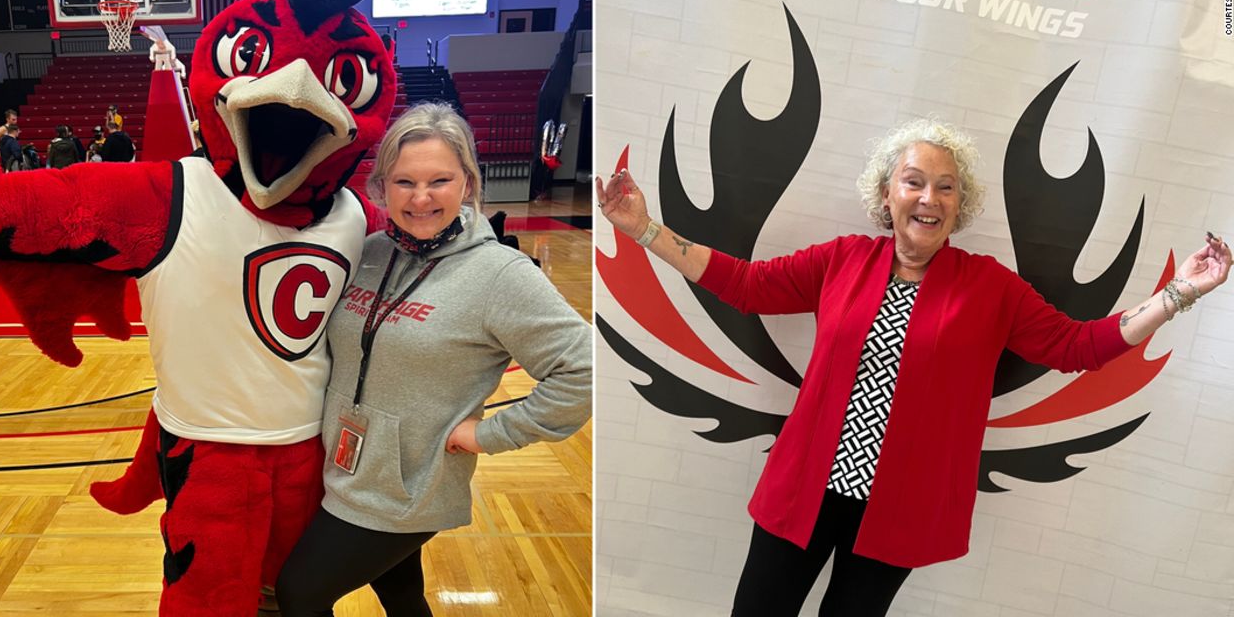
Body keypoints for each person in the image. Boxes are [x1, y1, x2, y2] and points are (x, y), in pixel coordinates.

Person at [595, 118, 1231, 616]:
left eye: (946, 186)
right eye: (914, 181)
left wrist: (1179, 293)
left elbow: (1080, 347)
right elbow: (747, 284)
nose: (929, 197)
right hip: (804, 491)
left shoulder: (990, 287)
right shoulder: (842, 259)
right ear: (887, 193)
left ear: (960, 203)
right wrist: (643, 227)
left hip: (898, 507)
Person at [275, 102, 592, 617]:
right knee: (400, 593)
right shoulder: (371, 250)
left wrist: (487, 435)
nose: (421, 199)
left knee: (298, 594)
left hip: (408, 489)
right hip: (346, 466)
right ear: (382, 186)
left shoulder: (500, 275)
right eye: (404, 183)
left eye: (439, 181)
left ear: (467, 182)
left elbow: (584, 371)